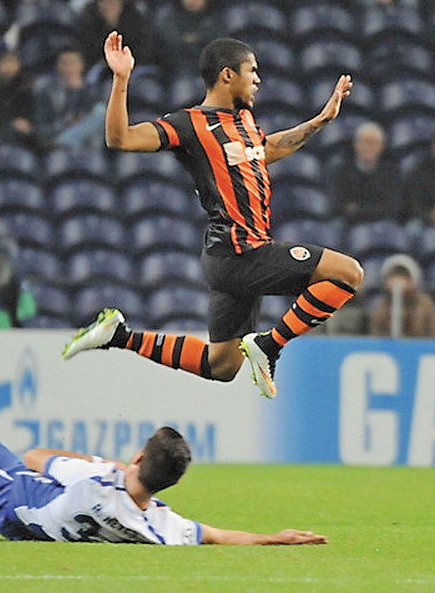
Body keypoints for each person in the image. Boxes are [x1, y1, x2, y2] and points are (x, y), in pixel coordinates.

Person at [62, 34, 364, 399]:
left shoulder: (246, 122)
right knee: (348, 273)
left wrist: (319, 120)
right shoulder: (190, 124)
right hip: (240, 252)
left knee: (222, 366)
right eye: (251, 71)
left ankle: (119, 335)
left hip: (229, 258)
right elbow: (120, 138)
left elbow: (265, 150)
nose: (258, 79)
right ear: (226, 75)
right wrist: (122, 79)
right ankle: (270, 345)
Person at [0, 409, 327, 545]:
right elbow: (212, 534)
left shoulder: (99, 482)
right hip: (30, 522)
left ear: (139, 460)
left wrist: (109, 466)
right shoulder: (160, 526)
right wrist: (272, 538)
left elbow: (35, 456)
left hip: (9, 493)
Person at [34, 47, 106, 150]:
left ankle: (65, 142)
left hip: (86, 142)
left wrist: (81, 90)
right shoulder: (47, 92)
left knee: (101, 112)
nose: (69, 68)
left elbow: (95, 121)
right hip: (58, 134)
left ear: (81, 65)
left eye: (73, 63)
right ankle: (66, 142)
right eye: (64, 63)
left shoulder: (92, 91)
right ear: (58, 67)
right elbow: (41, 127)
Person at [329, 122, 402, 223]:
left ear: (381, 146)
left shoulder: (392, 173)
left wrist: (358, 209)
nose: (368, 147)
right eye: (364, 142)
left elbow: (392, 205)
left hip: (383, 222)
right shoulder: (341, 171)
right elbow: (338, 204)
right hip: (349, 223)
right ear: (356, 145)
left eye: (373, 142)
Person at [369, 254, 435, 338]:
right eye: (393, 276)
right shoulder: (381, 307)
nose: (399, 281)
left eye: (404, 277)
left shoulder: (426, 305)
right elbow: (376, 336)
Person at [152, 0, 218, 76]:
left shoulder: (215, 19)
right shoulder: (170, 18)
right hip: (178, 69)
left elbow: (220, 46)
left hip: (210, 69)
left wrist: (196, 38)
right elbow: (171, 45)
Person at [404, 124, 435, 227]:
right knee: (413, 228)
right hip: (424, 219)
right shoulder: (418, 170)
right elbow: (412, 203)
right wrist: (430, 215)